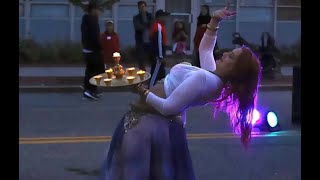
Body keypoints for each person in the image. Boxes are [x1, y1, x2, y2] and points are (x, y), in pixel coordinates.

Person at [100, 2, 261, 179]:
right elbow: (205, 49)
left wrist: (140, 89)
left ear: (235, 71)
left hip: (150, 125)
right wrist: (214, 21)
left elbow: (169, 107)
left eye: (230, 57)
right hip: (152, 123)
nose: (224, 54)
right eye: (229, 52)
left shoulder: (204, 79)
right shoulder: (213, 79)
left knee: (134, 171)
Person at [81, 2, 104, 100]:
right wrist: (100, 47)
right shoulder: (92, 20)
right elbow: (95, 37)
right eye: (98, 10)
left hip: (87, 49)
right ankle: (91, 90)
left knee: (89, 71)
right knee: (96, 72)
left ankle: (88, 90)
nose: (99, 12)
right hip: (94, 50)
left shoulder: (85, 19)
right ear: (93, 10)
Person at [149, 9, 170, 87]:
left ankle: (162, 89)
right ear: (159, 17)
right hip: (158, 54)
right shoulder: (158, 26)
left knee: (161, 73)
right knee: (155, 73)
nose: (166, 18)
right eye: (165, 16)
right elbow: (158, 42)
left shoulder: (161, 26)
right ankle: (149, 90)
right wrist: (160, 56)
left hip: (160, 52)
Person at [133, 1, 154, 71]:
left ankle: (152, 77)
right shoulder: (136, 18)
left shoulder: (150, 16)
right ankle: (143, 77)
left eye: (143, 7)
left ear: (145, 7)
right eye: (140, 7)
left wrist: (144, 25)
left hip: (150, 41)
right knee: (141, 61)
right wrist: (147, 25)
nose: (142, 8)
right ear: (138, 8)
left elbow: (152, 25)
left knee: (152, 60)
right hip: (141, 42)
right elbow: (138, 27)